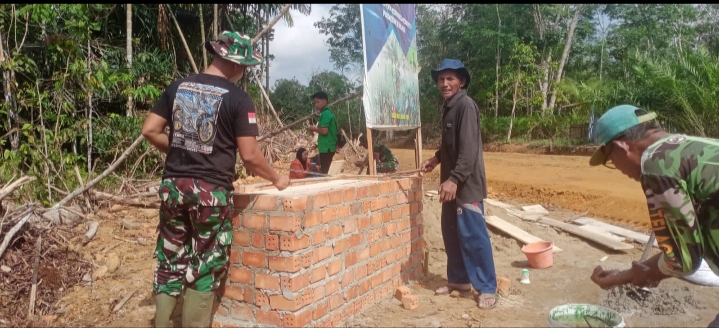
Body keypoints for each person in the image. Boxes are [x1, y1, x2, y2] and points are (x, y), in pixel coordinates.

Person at [141, 31, 290, 328]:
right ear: (236, 65)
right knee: (205, 266)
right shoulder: (238, 99)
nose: (245, 73)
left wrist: (183, 149)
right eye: (245, 67)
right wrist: (277, 178)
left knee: (170, 260)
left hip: (173, 188)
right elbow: (249, 155)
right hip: (210, 194)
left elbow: (150, 130)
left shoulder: (177, 87)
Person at [586, 104, 719, 326]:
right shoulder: (689, 147)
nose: (616, 168)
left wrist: (641, 275)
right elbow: (684, 249)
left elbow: (684, 261)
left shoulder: (657, 163)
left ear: (621, 146)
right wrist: (629, 274)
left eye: (610, 160)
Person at [419, 59, 497, 310]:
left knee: (473, 237)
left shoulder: (465, 106)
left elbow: (469, 150)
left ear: (461, 81)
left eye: (450, 78)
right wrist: (436, 158)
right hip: (451, 185)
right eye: (441, 79)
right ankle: (459, 281)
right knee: (451, 234)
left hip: (465, 186)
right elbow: (451, 145)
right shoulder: (449, 107)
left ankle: (486, 287)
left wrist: (453, 179)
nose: (444, 83)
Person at [306, 91, 337, 174]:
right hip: (329, 146)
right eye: (315, 103)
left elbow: (324, 131)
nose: (316, 105)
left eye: (318, 102)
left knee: (324, 172)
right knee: (325, 170)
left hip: (326, 147)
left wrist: (312, 129)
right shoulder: (329, 113)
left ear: (325, 101)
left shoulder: (325, 114)